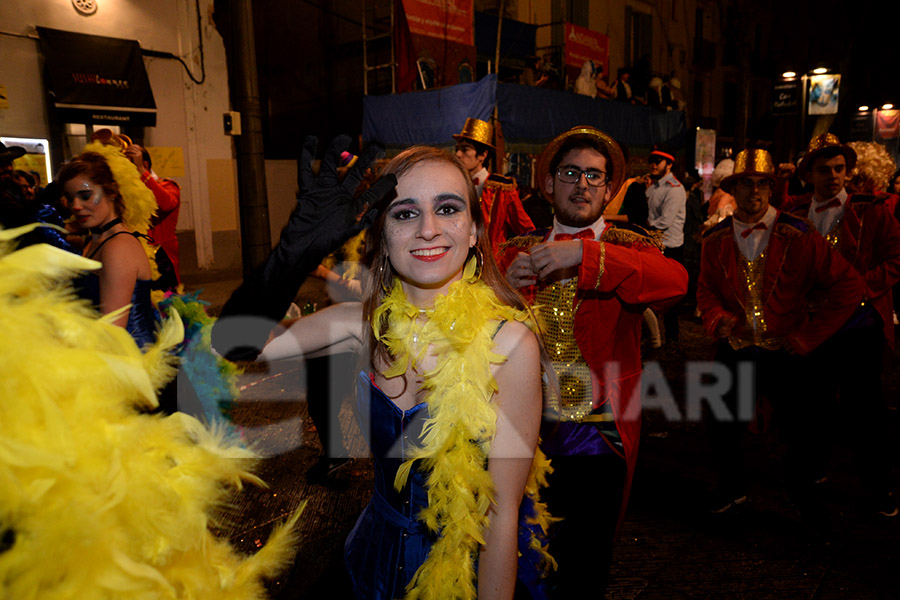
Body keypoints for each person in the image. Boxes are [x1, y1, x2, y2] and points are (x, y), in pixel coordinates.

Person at [212, 137, 554, 599]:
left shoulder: (510, 345)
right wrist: (288, 259)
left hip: (463, 580)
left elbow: (501, 512)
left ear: (474, 230)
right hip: (363, 568)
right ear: (381, 235)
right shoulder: (359, 325)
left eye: (448, 208)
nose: (428, 229)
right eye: (405, 212)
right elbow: (233, 347)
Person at [498, 126, 688, 597]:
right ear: (548, 184)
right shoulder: (511, 249)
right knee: (519, 557)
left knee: (583, 568)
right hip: (522, 434)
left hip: (598, 437)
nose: (582, 184)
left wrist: (583, 252)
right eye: (570, 173)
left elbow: (676, 282)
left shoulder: (628, 245)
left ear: (607, 190)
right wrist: (500, 283)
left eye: (594, 176)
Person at [697, 148, 864, 515]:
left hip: (786, 349)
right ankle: (733, 488)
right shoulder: (715, 240)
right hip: (738, 345)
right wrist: (716, 316)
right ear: (733, 189)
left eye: (761, 184)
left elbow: (849, 286)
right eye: (745, 185)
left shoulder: (798, 234)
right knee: (723, 425)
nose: (753, 193)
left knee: (800, 430)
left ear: (772, 189)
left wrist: (809, 336)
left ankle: (798, 493)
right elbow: (705, 290)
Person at [780, 134, 900, 517]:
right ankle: (811, 472)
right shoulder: (793, 214)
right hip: (812, 328)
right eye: (823, 170)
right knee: (810, 407)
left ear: (848, 172)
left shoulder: (873, 211)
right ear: (808, 175)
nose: (833, 176)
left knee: (866, 411)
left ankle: (878, 486)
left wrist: (858, 291)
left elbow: (896, 261)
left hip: (859, 327)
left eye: (839, 169)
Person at [56, 146, 159, 349]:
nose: (76, 206)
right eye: (70, 198)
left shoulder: (117, 248)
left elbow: (111, 333)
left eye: (85, 195)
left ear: (111, 192)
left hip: (126, 365)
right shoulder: (95, 239)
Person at [453, 118, 534, 253]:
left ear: (482, 156)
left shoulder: (501, 188)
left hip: (491, 263)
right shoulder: (455, 186)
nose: (458, 154)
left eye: (465, 150)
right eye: (457, 149)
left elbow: (525, 230)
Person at [125, 143, 182, 284]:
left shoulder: (168, 185)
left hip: (161, 257)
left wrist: (140, 170)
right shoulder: (128, 191)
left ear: (145, 164)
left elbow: (165, 204)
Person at [646, 148, 686, 344]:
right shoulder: (653, 187)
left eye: (658, 161)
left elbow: (665, 221)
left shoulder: (675, 188)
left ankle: (672, 336)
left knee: (671, 295)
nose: (653, 164)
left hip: (670, 246)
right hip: (654, 244)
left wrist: (643, 227)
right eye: (652, 160)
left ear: (669, 165)